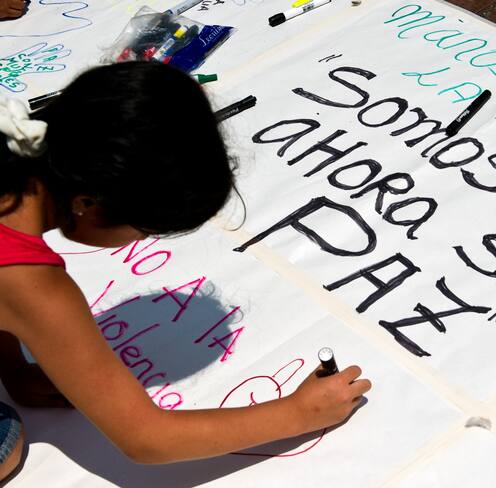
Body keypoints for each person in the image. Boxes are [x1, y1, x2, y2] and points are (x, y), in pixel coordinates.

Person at [0, 61, 371, 481]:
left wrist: (11, 365)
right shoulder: (29, 281)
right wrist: (299, 413)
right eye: (144, 230)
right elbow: (147, 439)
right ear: (91, 203)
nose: (137, 243)